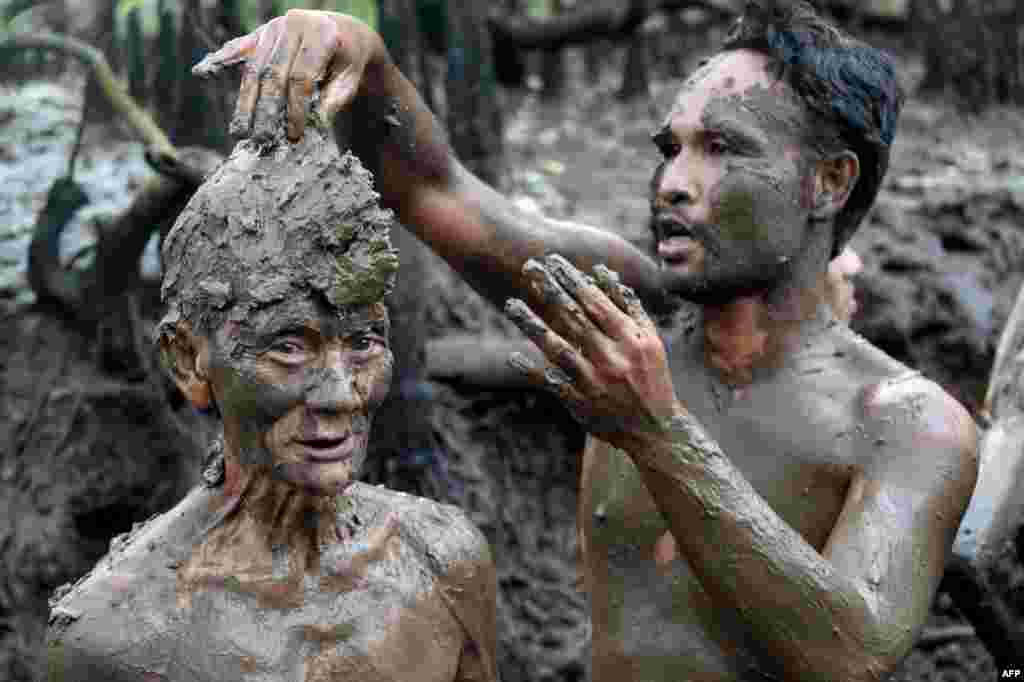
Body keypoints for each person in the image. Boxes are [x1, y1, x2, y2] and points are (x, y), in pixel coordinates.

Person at [194, 1, 979, 679]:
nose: (673, 181)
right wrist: (362, 57)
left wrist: (657, 434)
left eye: (722, 148)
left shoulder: (908, 424)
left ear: (828, 183)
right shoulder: (624, 310)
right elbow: (432, 186)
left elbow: (849, 653)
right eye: (670, 149)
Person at [44, 125, 497, 682]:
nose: (338, 393)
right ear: (188, 360)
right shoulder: (115, 638)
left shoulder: (444, 563)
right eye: (287, 346)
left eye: (363, 342)